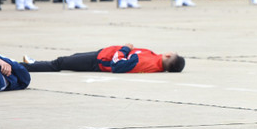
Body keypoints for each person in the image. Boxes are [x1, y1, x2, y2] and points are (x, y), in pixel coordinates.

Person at [22, 45, 185, 74]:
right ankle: (32, 64)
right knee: (69, 59)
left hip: (98, 61)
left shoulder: (146, 62)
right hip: (102, 54)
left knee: (60, 63)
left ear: (169, 55)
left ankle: (27, 66)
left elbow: (118, 66)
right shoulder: (155, 59)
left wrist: (125, 49)